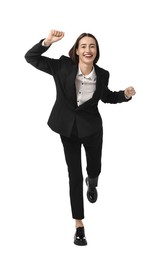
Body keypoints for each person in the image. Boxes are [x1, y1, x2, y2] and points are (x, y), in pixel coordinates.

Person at [24, 29, 136, 246]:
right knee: (74, 175)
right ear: (76, 50)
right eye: (83, 46)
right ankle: (79, 224)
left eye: (92, 46)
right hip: (67, 130)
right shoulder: (63, 66)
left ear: (97, 51)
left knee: (94, 168)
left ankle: (92, 182)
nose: (88, 49)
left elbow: (107, 97)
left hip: (92, 129)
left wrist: (124, 95)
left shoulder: (102, 75)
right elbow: (31, 58)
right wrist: (47, 42)